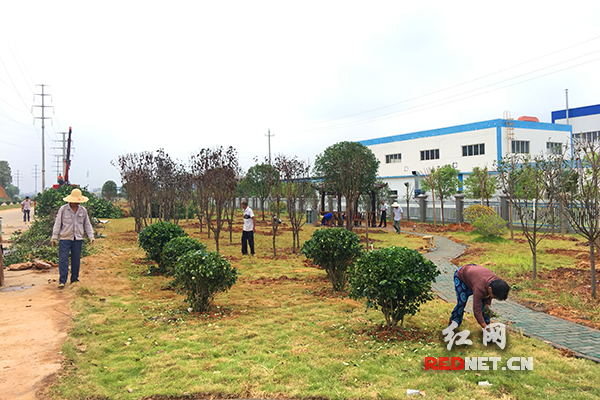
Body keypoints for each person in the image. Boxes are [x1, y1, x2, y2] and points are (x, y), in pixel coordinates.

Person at [50, 188, 95, 289]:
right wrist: (54, 237)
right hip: (65, 238)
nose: (76, 203)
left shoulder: (83, 211)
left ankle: (74, 279)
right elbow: (57, 224)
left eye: (78, 201)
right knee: (63, 260)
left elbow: (87, 224)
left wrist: (91, 235)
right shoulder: (63, 209)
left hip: (78, 239)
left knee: (76, 260)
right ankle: (62, 281)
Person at [448, 264, 510, 333]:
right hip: (462, 275)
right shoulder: (479, 288)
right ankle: (452, 326)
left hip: (475, 275)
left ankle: (487, 327)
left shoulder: (497, 283)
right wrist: (486, 328)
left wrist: (487, 305)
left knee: (485, 309)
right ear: (490, 289)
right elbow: (476, 310)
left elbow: (489, 295)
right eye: (495, 297)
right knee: (461, 303)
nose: (494, 298)